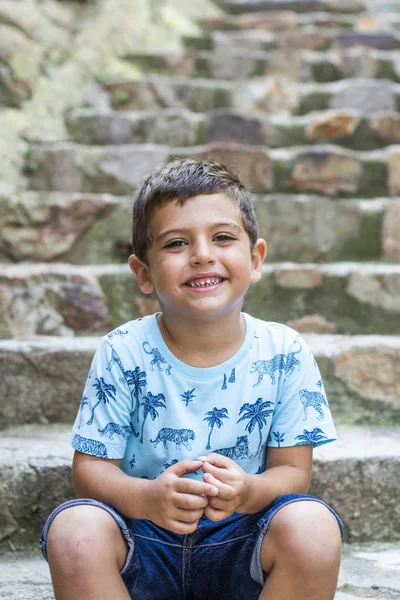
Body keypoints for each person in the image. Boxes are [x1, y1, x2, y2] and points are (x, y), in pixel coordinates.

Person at [40, 159, 343, 600]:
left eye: (222, 237)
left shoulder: (285, 352)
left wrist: (250, 491)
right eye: (177, 242)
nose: (202, 254)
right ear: (143, 274)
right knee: (74, 529)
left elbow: (294, 472)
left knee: (313, 527)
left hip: (244, 547)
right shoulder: (122, 350)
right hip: (140, 545)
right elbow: (90, 470)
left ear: (255, 259)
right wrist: (146, 499)